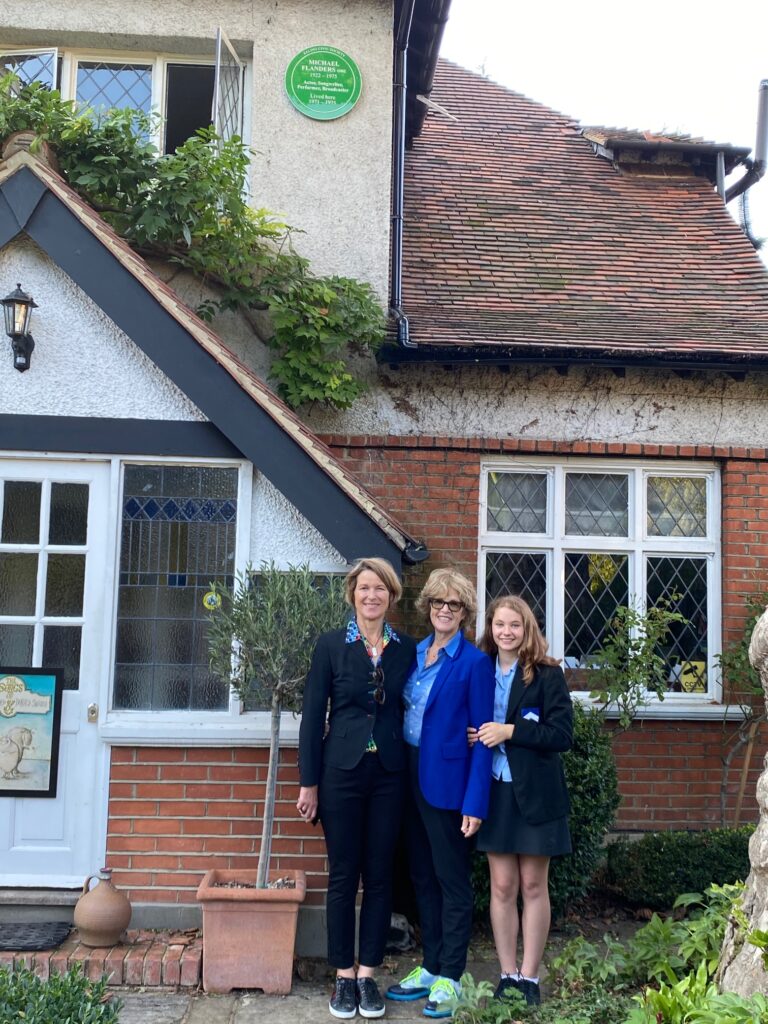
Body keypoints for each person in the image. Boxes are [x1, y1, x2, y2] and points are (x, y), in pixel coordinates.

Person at [297, 558, 416, 1020]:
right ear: (353, 594)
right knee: (344, 875)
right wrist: (309, 782)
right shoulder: (330, 646)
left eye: (380, 589)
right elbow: (312, 717)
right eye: (364, 588)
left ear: (391, 596)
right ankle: (343, 977)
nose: (372, 596)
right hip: (340, 773)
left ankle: (369, 975)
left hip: (388, 773)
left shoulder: (405, 649)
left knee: (381, 874)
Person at [386, 568, 494, 1019]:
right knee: (422, 877)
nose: (444, 611)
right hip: (407, 774)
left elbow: (484, 736)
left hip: (448, 784)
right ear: (427, 607)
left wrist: (475, 801)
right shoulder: (413, 654)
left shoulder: (473, 663)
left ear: (465, 613)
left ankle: (451, 973)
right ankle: (430, 966)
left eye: (453, 605)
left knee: (451, 879)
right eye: (437, 603)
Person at [471, 595, 573, 1007]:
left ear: (526, 628)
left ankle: (530, 977)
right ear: (490, 629)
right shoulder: (479, 669)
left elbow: (562, 736)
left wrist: (511, 731)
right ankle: (507, 973)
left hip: (535, 795)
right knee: (502, 885)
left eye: (515, 624)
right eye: (499, 624)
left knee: (533, 884)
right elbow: (473, 722)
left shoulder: (547, 675)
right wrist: (473, 735)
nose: (506, 632)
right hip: (494, 790)